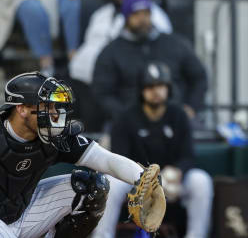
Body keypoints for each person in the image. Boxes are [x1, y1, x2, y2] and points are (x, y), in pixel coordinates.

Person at [0, 72, 162, 237]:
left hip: (20, 213)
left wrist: (143, 178)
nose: (54, 113)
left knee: (91, 187)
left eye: (54, 107)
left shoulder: (54, 138)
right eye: (46, 106)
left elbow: (104, 159)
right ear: (22, 109)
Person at [92, 62, 213, 238]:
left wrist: (178, 171)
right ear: (141, 90)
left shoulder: (178, 115)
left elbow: (188, 156)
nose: (156, 91)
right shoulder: (125, 118)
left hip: (170, 180)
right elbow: (120, 160)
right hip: (133, 179)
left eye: (160, 85)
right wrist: (147, 182)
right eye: (150, 86)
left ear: (168, 88)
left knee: (200, 180)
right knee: (112, 183)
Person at [92, 0, 207, 124]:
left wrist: (191, 107)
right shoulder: (111, 52)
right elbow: (102, 93)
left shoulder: (175, 44)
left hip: (175, 118)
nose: (142, 19)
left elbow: (199, 77)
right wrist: (124, 116)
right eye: (136, 14)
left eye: (146, 13)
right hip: (130, 122)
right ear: (126, 17)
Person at [69, 0, 172, 85]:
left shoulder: (152, 13)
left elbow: (163, 49)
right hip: (85, 79)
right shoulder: (100, 14)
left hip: (129, 82)